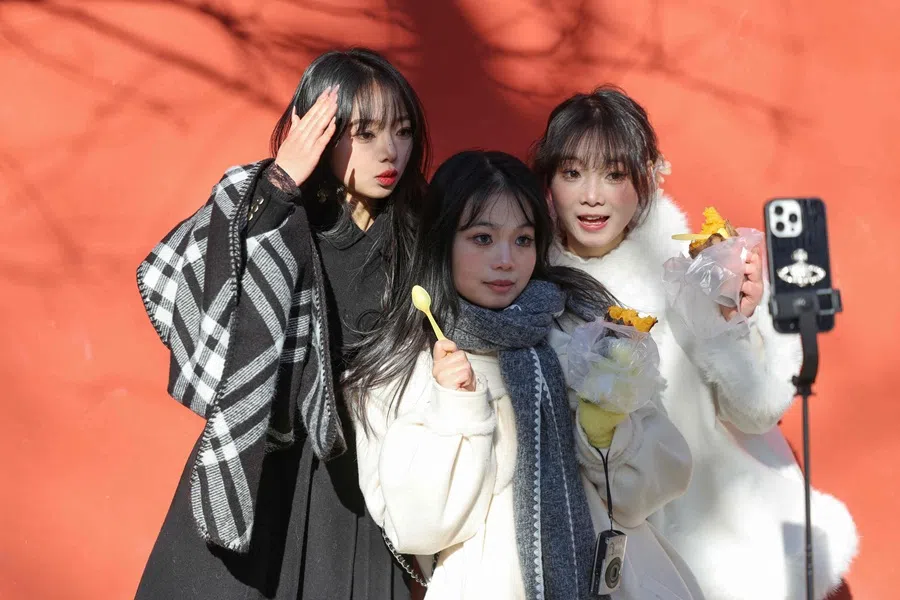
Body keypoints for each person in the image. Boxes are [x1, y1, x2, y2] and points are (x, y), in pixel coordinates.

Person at [532, 86, 858, 599]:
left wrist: (738, 324)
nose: (591, 195)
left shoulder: (694, 271)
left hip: (736, 542)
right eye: (572, 173)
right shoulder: (538, 296)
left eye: (614, 174)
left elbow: (757, 410)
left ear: (643, 181)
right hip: (624, 553)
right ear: (548, 182)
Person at [134, 48, 429, 599]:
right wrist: (279, 182)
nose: (391, 152)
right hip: (263, 465)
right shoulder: (277, 218)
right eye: (364, 133)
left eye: (404, 130)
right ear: (317, 130)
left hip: (356, 487)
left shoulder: (418, 240)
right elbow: (198, 285)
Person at [346, 150, 702, 599]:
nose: (505, 260)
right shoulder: (403, 365)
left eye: (523, 240)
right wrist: (455, 408)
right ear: (441, 241)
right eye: (481, 238)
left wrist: (609, 430)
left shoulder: (582, 327)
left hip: (620, 582)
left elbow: (657, 487)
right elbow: (419, 529)